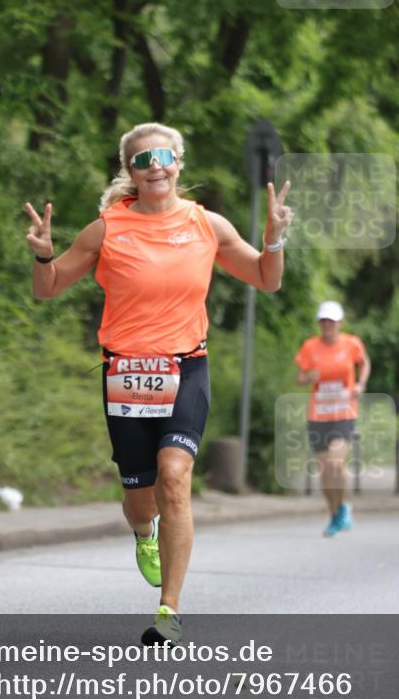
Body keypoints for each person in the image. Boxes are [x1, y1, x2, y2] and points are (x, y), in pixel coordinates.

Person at [25, 122, 293, 643]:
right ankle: (144, 534)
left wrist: (274, 238)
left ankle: (168, 612)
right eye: (144, 160)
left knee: (174, 476)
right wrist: (41, 254)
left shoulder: (206, 225)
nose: (156, 166)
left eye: (164, 156)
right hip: (125, 373)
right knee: (140, 498)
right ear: (130, 171)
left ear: (179, 164)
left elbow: (267, 277)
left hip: (185, 367)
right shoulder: (105, 229)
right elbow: (48, 288)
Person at [294, 301, 370, 537]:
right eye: (323, 321)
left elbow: (364, 362)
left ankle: (344, 507)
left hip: (344, 412)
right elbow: (299, 377)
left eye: (332, 321)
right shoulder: (310, 347)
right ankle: (335, 513)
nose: (327, 325)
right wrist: (308, 377)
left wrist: (360, 383)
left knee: (336, 463)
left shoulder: (351, 344)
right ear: (319, 323)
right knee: (325, 471)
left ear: (340, 323)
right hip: (318, 415)